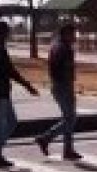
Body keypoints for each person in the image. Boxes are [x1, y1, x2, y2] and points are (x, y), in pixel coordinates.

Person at [0, 22, 39, 168]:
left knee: (11, 121)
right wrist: (27, 85)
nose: (6, 36)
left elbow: (9, 71)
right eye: (5, 33)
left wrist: (25, 84)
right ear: (1, 33)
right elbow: (9, 71)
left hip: (1, 90)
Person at [34, 24, 81, 161]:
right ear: (66, 33)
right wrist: (67, 84)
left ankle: (68, 150)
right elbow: (60, 69)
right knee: (70, 119)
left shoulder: (58, 46)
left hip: (59, 85)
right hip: (63, 86)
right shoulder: (63, 48)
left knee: (68, 118)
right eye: (73, 34)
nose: (75, 37)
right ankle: (46, 138)